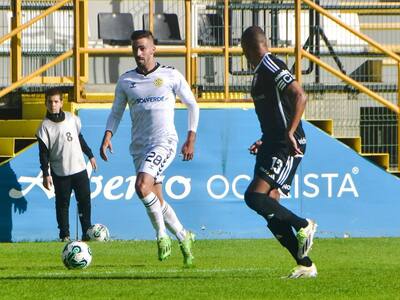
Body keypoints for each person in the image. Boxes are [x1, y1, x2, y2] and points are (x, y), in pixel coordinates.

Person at [100, 30, 199, 267]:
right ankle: (184, 236)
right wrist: (107, 135)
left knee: (141, 186)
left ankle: (161, 236)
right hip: (139, 146)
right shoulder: (126, 81)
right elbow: (116, 112)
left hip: (164, 142)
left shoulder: (171, 75)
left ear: (154, 49)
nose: (138, 53)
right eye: (135, 48)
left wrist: (191, 138)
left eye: (143, 48)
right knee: (155, 196)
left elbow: (192, 105)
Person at [241, 26, 318, 278]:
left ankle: (304, 224)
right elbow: (277, 111)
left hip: (287, 144)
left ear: (249, 47)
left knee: (254, 197)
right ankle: (305, 264)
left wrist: (289, 132)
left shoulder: (271, 65)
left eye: (242, 49)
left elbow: (300, 96)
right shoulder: (260, 71)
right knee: (269, 204)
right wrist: (264, 139)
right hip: (272, 142)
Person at [36, 88, 97, 242]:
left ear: (62, 103)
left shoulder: (72, 119)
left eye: (56, 101)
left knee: (84, 201)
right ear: (45, 104)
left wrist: (90, 155)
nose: (53, 105)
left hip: (79, 168)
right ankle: (64, 235)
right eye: (49, 102)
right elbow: (43, 154)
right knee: (62, 205)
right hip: (60, 172)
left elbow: (79, 138)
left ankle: (86, 232)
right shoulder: (44, 127)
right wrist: (46, 173)